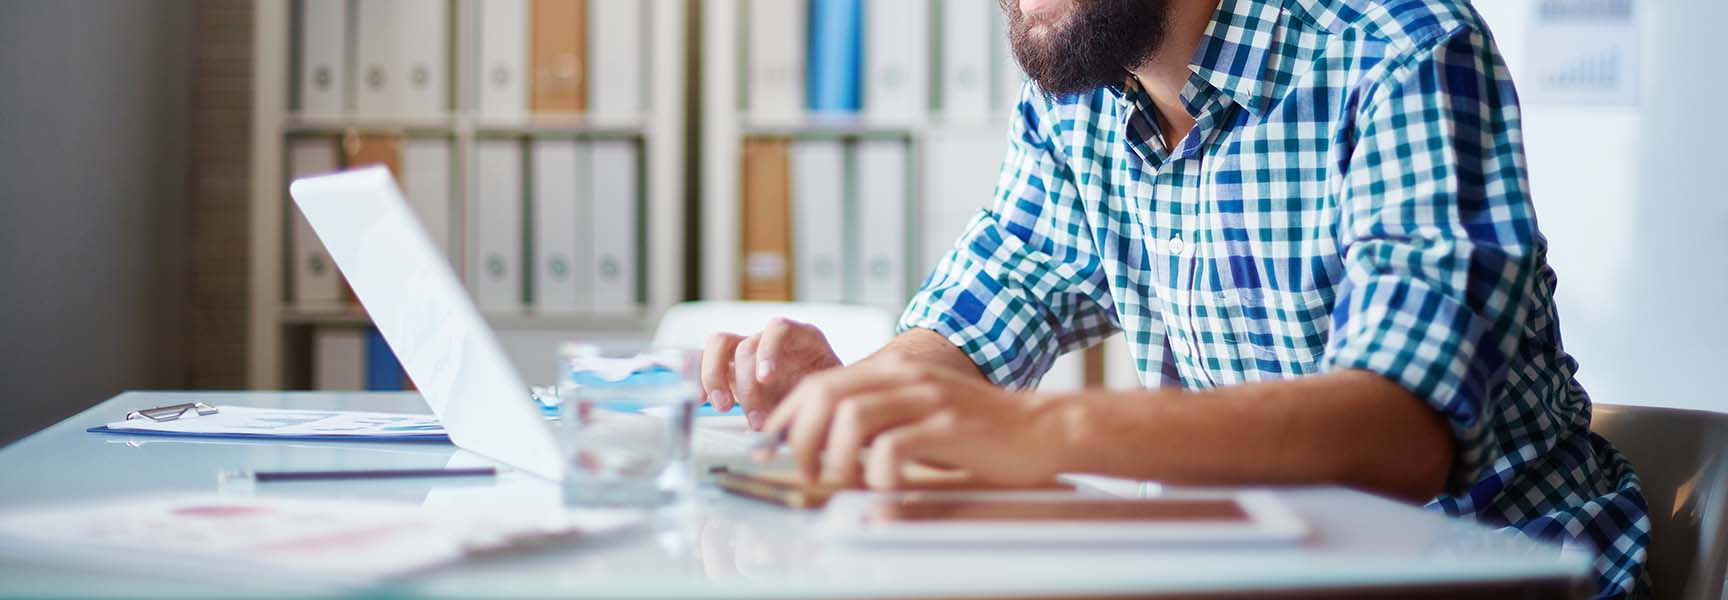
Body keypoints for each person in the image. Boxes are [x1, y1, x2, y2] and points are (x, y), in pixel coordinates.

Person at [700, 0, 1649, 597]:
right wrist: (861, 397)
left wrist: (1030, 435)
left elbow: (1399, 435)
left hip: (1500, 565)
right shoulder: (1079, 105)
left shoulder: (1404, 51)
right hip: (1270, 568)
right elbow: (982, 308)